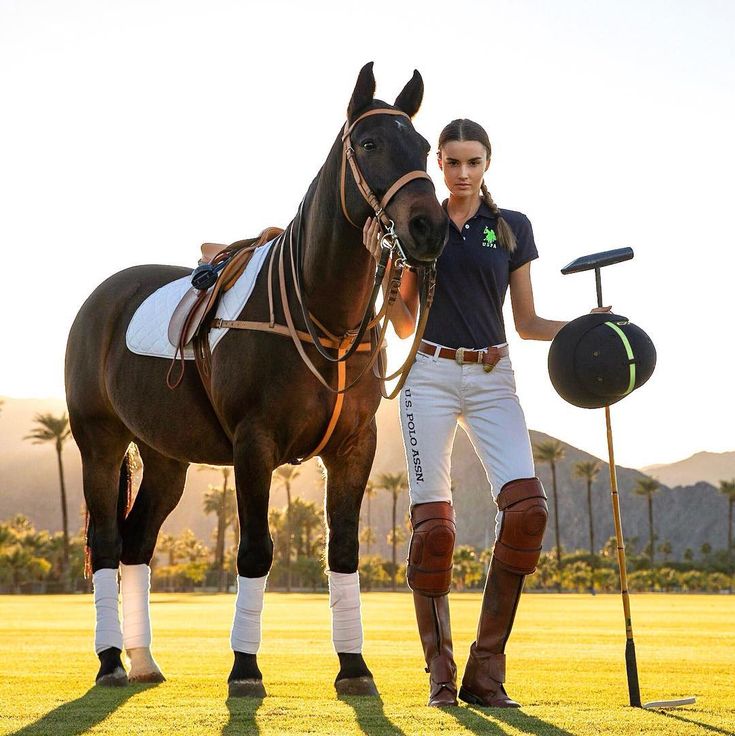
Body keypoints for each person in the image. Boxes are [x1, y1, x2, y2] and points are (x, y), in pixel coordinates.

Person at [363, 118, 609, 708]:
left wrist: (586, 327)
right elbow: (402, 323)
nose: (463, 173)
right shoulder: (421, 225)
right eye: (453, 162)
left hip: (495, 376)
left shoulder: (511, 228)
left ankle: (485, 673)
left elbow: (526, 322)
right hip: (430, 375)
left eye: (473, 162)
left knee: (526, 512)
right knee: (436, 529)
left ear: (488, 164)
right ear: (439, 165)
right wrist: (383, 269)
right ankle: (441, 676)